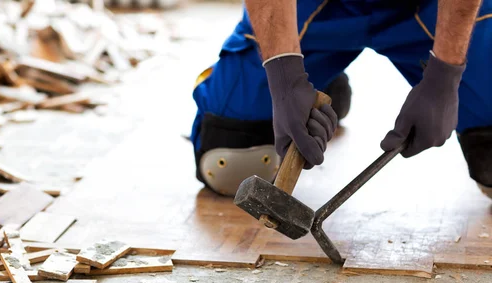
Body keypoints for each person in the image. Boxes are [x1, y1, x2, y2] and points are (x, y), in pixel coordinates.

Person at [190, 0, 492, 197]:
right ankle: (319, 80)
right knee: (231, 164)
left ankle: (320, 75)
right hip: (313, 7)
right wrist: (285, 76)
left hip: (430, 7)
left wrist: (445, 76)